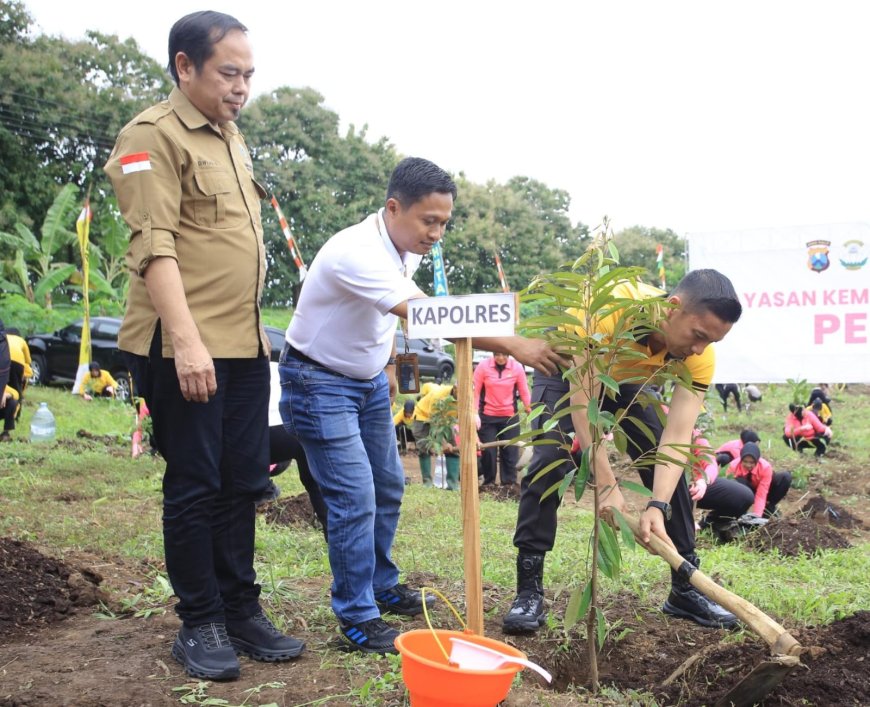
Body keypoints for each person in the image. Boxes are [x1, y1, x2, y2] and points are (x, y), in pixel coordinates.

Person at [278, 156, 563, 655]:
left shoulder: (402, 247)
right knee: (354, 497)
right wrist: (514, 344)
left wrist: (386, 369)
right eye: (429, 221)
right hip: (318, 380)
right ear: (394, 208)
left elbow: (384, 317)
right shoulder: (356, 251)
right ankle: (357, 617)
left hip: (364, 382)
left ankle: (381, 584)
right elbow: (427, 316)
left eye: (444, 223)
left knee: (388, 486)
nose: (437, 233)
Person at [105, 11, 303, 681]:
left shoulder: (230, 137)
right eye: (229, 72)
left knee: (240, 480)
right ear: (184, 66)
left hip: (243, 344)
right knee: (194, 482)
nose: (241, 86)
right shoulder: (149, 137)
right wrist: (186, 344)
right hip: (183, 344)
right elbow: (154, 246)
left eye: (249, 74)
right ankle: (201, 620)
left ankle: (240, 608)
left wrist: (252, 341)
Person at [503, 269, 743, 634]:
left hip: (628, 379)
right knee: (551, 456)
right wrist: (608, 484)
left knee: (661, 457)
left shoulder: (698, 356)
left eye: (711, 342)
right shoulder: (608, 308)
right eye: (698, 336)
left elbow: (677, 438)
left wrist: (657, 504)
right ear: (672, 308)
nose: (699, 349)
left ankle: (684, 588)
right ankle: (528, 589)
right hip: (569, 369)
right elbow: (583, 406)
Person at [473, 353, 532, 486]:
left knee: (510, 452)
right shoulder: (483, 367)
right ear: (493, 354)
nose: (500, 358)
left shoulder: (517, 368)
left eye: (504, 355)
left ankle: (509, 485)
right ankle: (489, 483)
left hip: (509, 416)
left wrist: (531, 413)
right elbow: (475, 392)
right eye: (497, 355)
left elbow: (524, 393)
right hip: (487, 416)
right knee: (488, 452)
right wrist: (474, 413)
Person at [689, 429, 756, 537]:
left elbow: (710, 462)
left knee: (743, 495)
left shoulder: (694, 436)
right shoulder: (659, 427)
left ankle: (710, 524)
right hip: (665, 489)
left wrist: (704, 481)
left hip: (696, 483)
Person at [727, 442, 792, 518]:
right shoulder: (733, 466)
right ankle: (741, 512)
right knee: (736, 482)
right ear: (741, 459)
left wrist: (757, 517)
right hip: (747, 492)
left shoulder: (765, 467)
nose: (748, 465)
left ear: (757, 461)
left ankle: (769, 507)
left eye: (752, 462)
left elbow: (761, 494)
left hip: (765, 489)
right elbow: (729, 490)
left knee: (785, 477)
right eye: (745, 461)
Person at [412, 381, 455, 485]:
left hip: (445, 419)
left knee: (453, 447)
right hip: (422, 416)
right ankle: (427, 482)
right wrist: (444, 444)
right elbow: (434, 423)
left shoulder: (467, 397)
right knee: (423, 447)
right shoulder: (439, 395)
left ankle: (453, 484)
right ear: (456, 388)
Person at [5, 327, 32, 404]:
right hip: (17, 363)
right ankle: (17, 409)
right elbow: (28, 360)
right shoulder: (21, 340)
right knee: (16, 387)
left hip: (3, 360)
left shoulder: (3, 338)